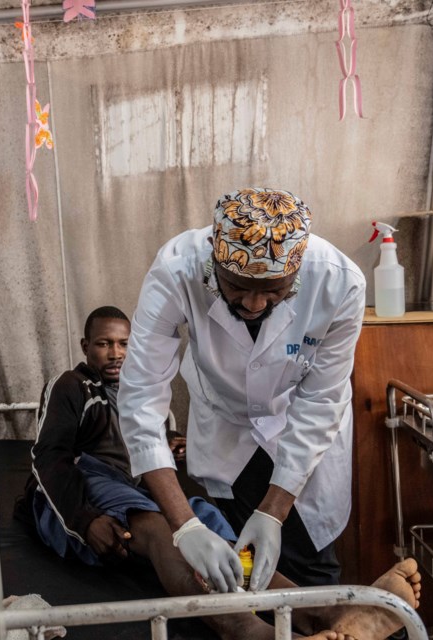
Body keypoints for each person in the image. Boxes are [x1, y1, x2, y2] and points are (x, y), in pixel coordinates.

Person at [23, 306, 419, 640]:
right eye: (104, 344)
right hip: (85, 487)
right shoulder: (72, 385)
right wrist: (85, 520)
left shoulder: (137, 386)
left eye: (124, 343)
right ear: (85, 347)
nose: (115, 353)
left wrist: (173, 439)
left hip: (133, 485)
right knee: (163, 529)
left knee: (218, 541)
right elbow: (50, 458)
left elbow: (140, 438)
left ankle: (326, 612)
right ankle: (253, 633)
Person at [119, 188, 366, 594]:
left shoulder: (340, 284)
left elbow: (322, 399)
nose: (253, 303)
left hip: (301, 428)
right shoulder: (177, 270)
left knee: (311, 565)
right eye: (237, 286)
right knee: (233, 569)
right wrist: (184, 528)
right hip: (226, 425)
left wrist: (273, 512)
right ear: (215, 262)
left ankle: (327, 618)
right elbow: (141, 396)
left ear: (298, 273)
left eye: (274, 290)